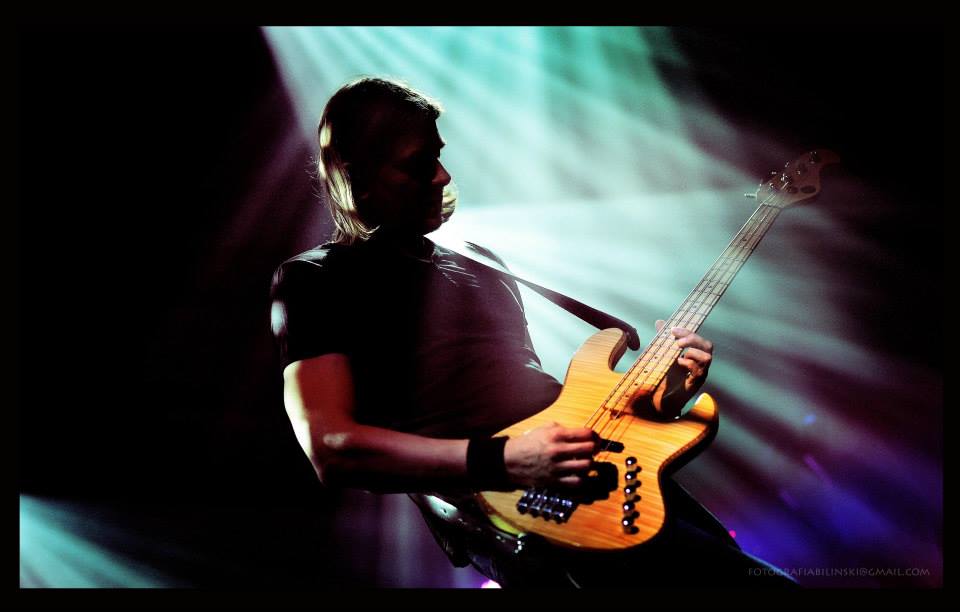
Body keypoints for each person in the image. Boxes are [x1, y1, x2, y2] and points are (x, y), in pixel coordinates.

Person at [270, 77, 797, 588]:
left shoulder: (480, 261)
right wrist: (506, 460)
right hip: (513, 513)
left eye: (439, 155)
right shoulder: (316, 278)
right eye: (418, 164)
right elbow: (331, 447)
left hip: (609, 480)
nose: (443, 176)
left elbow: (539, 398)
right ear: (356, 176)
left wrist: (665, 396)